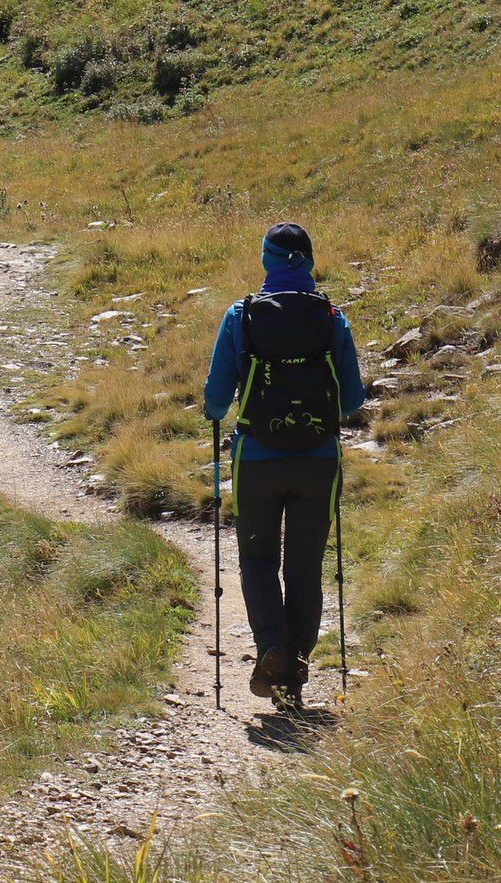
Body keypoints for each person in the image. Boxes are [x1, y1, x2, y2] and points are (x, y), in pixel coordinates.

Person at [202, 221, 366, 711]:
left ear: (266, 260)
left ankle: (271, 646)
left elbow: (214, 401)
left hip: (256, 460)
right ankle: (295, 661)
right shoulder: (331, 318)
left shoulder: (241, 315)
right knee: (305, 566)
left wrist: (218, 414)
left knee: (257, 560)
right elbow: (353, 399)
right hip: (318, 460)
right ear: (309, 261)